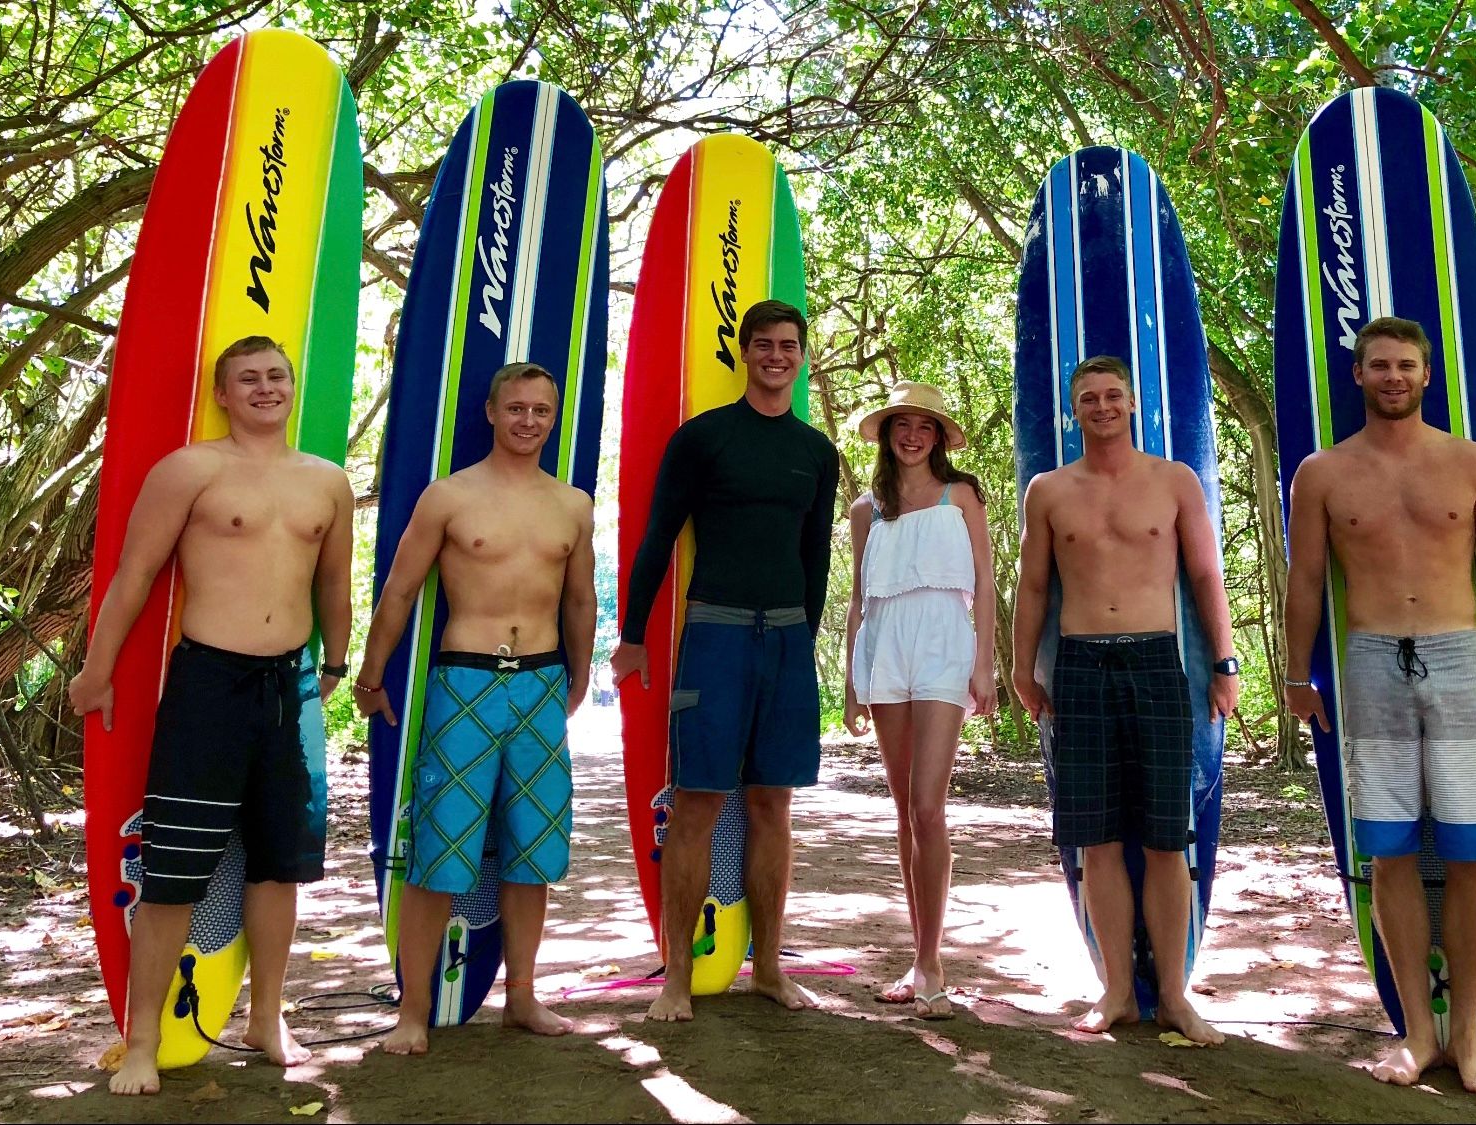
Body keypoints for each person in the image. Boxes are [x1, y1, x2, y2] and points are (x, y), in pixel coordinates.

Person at [69, 335, 353, 1095]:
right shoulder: (191, 469)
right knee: (173, 873)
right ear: (222, 393)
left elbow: (334, 584)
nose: (266, 388)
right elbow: (135, 573)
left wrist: (334, 663)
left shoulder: (328, 482)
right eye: (248, 379)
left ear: (292, 386)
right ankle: (141, 1040)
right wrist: (96, 672)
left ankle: (266, 1015)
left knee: (278, 866)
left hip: (290, 688)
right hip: (208, 685)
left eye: (277, 376)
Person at [1282, 316, 1476, 1093]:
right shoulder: (1322, 473)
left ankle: (1467, 1033)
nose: (1393, 376)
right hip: (1368, 663)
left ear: (1427, 376)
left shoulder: (1473, 464)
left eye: (1406, 365)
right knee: (1390, 851)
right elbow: (1304, 582)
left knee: (1471, 852)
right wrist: (1297, 674)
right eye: (1379, 365)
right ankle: (1417, 1031)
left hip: (1461, 659)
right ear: (1357, 376)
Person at [354, 361, 596, 1055]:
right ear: (491, 412)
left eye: (541, 411)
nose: (528, 421)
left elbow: (580, 598)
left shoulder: (572, 505)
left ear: (553, 417)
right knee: (441, 848)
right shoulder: (449, 497)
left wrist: (576, 676)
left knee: (531, 848)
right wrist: (371, 675)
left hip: (541, 684)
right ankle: (414, 1008)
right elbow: (399, 591)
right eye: (515, 408)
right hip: (464, 681)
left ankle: (521, 996)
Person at [611, 299, 839, 1022]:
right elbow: (658, 537)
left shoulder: (816, 452)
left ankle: (767, 965)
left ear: (802, 356)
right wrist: (633, 631)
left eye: (789, 345)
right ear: (746, 353)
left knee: (774, 801)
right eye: (764, 344)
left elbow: (816, 554)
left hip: (787, 636)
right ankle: (677, 975)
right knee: (700, 802)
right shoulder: (703, 440)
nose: (777, 355)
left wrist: (805, 637)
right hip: (714, 632)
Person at [1011, 354, 1239, 1044]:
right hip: (1080, 664)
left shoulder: (1174, 482)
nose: (1103, 406)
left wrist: (1224, 662)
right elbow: (1033, 587)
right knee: (1099, 840)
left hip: (1157, 663)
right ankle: (1117, 992)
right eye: (1090, 398)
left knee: (1167, 839)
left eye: (1114, 395)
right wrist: (1022, 667)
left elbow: (1204, 572)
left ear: (1133, 404)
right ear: (1073, 411)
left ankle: (1173, 993)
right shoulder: (1048, 490)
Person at [842, 383, 996, 1020]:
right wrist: (853, 681)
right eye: (901, 425)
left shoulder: (962, 497)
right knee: (905, 808)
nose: (912, 435)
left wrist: (984, 663)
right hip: (885, 651)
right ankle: (917, 957)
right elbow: (859, 596)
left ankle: (933, 963)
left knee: (930, 806)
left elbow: (985, 582)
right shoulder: (865, 510)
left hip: (943, 645)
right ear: (886, 434)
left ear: (937, 436)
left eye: (924, 426)